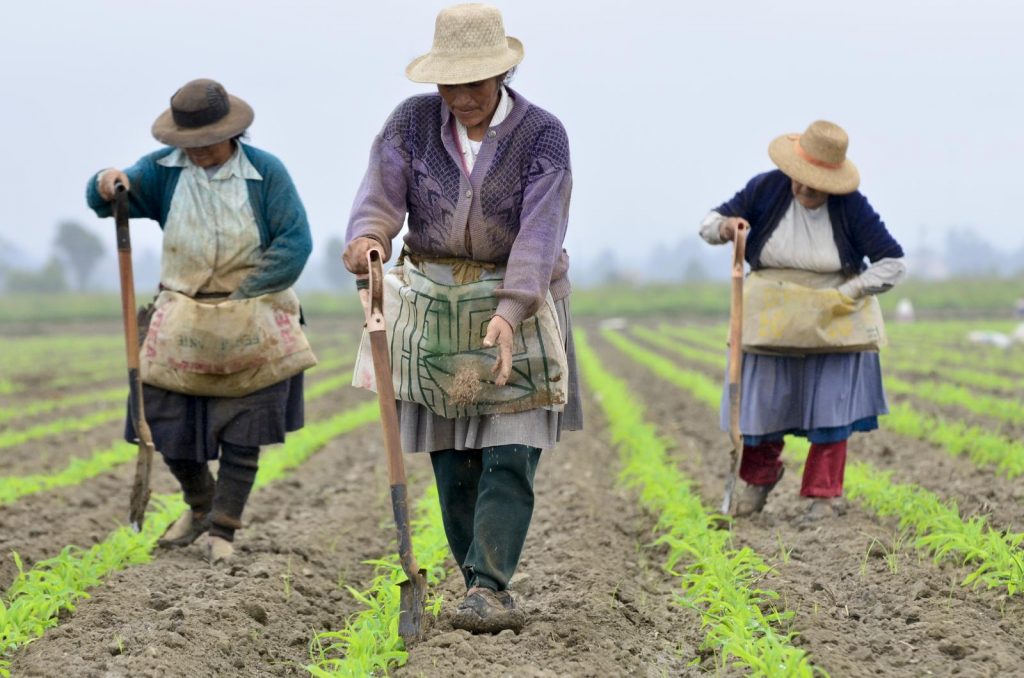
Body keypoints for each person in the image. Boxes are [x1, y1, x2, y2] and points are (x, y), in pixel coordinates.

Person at [343, 3, 581, 633]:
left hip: (522, 298)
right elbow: (380, 197)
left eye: (475, 83)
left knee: (512, 447)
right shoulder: (411, 124)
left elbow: (539, 233)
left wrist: (510, 310)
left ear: (501, 75)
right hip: (437, 299)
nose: (462, 96)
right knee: (451, 457)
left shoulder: (543, 135)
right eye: (450, 84)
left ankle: (490, 585)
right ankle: (473, 579)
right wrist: (369, 240)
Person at [86, 78, 313, 563]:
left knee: (244, 426)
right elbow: (108, 197)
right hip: (183, 311)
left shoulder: (265, 173)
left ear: (231, 132)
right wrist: (105, 181)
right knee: (162, 415)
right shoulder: (163, 171)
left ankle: (223, 531)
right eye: (191, 145)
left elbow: (295, 241)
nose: (201, 152)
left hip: (254, 308)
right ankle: (200, 503)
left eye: (209, 143)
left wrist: (245, 294)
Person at [699, 120, 906, 521]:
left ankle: (822, 496)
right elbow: (708, 223)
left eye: (815, 185)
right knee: (759, 406)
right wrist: (727, 227)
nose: (804, 189)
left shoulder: (851, 206)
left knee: (832, 407)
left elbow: (892, 263)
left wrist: (847, 293)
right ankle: (756, 481)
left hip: (833, 314)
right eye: (800, 180)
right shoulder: (766, 188)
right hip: (771, 313)